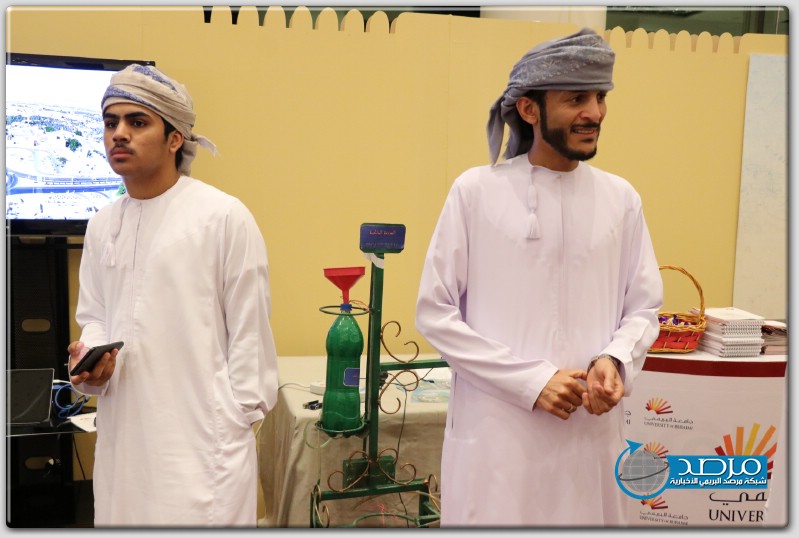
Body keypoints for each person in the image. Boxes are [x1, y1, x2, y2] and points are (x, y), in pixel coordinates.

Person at [415, 28, 663, 526]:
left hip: (591, 440)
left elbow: (643, 306)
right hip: (500, 443)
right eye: (576, 99)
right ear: (529, 109)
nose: (594, 112)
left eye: (599, 97)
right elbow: (435, 314)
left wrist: (614, 359)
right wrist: (533, 382)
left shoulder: (620, 199)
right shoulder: (476, 192)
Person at [67, 64, 279, 527]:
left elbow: (250, 336)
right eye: (110, 122)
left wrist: (232, 419)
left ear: (175, 138)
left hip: (203, 449)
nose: (119, 134)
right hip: (124, 444)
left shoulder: (223, 217)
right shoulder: (102, 225)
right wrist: (91, 363)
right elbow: (95, 316)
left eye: (137, 122)